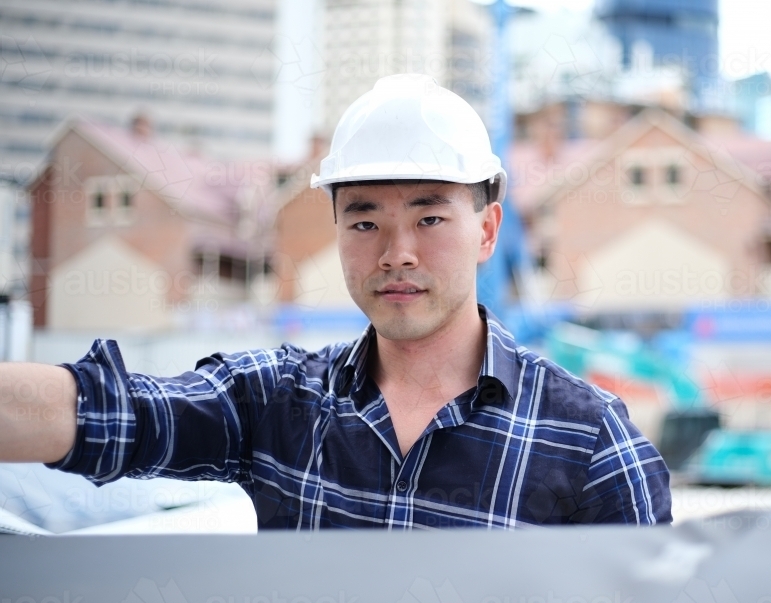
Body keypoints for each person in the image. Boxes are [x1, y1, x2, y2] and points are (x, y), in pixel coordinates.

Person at [0, 74, 671, 529]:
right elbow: (108, 412)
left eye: (430, 218)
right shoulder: (278, 407)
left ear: (487, 231)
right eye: (364, 220)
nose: (396, 251)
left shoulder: (590, 442)